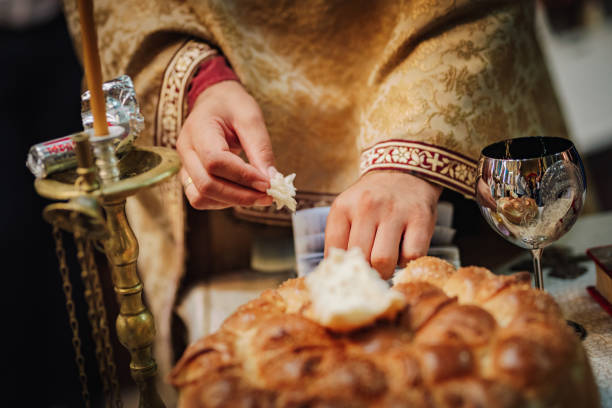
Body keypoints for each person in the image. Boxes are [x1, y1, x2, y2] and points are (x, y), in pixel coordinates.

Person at [62, 0, 567, 402]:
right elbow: (125, 11)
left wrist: (416, 146)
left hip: (450, 167)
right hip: (234, 202)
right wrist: (201, 84)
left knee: (504, 364)